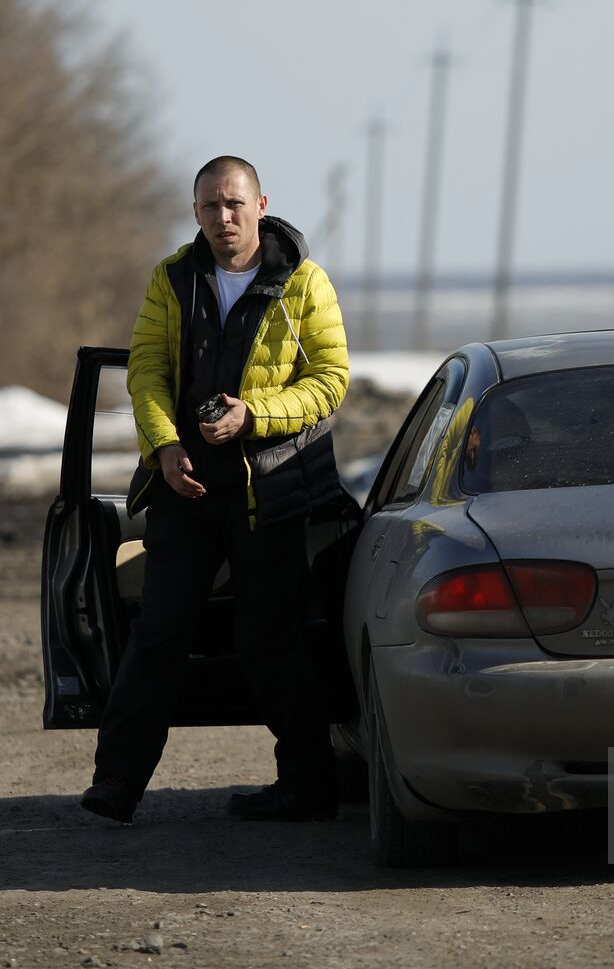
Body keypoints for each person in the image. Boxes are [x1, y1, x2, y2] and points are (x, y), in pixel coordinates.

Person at [79, 156, 350, 824]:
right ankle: (116, 784)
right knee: (158, 633)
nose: (222, 218)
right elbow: (145, 373)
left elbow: (330, 381)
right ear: (195, 211)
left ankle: (308, 785)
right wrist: (165, 448)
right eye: (209, 206)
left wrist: (252, 415)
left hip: (271, 490)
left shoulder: (304, 283)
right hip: (185, 487)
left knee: (269, 638)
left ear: (261, 205)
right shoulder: (173, 278)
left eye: (233, 204)